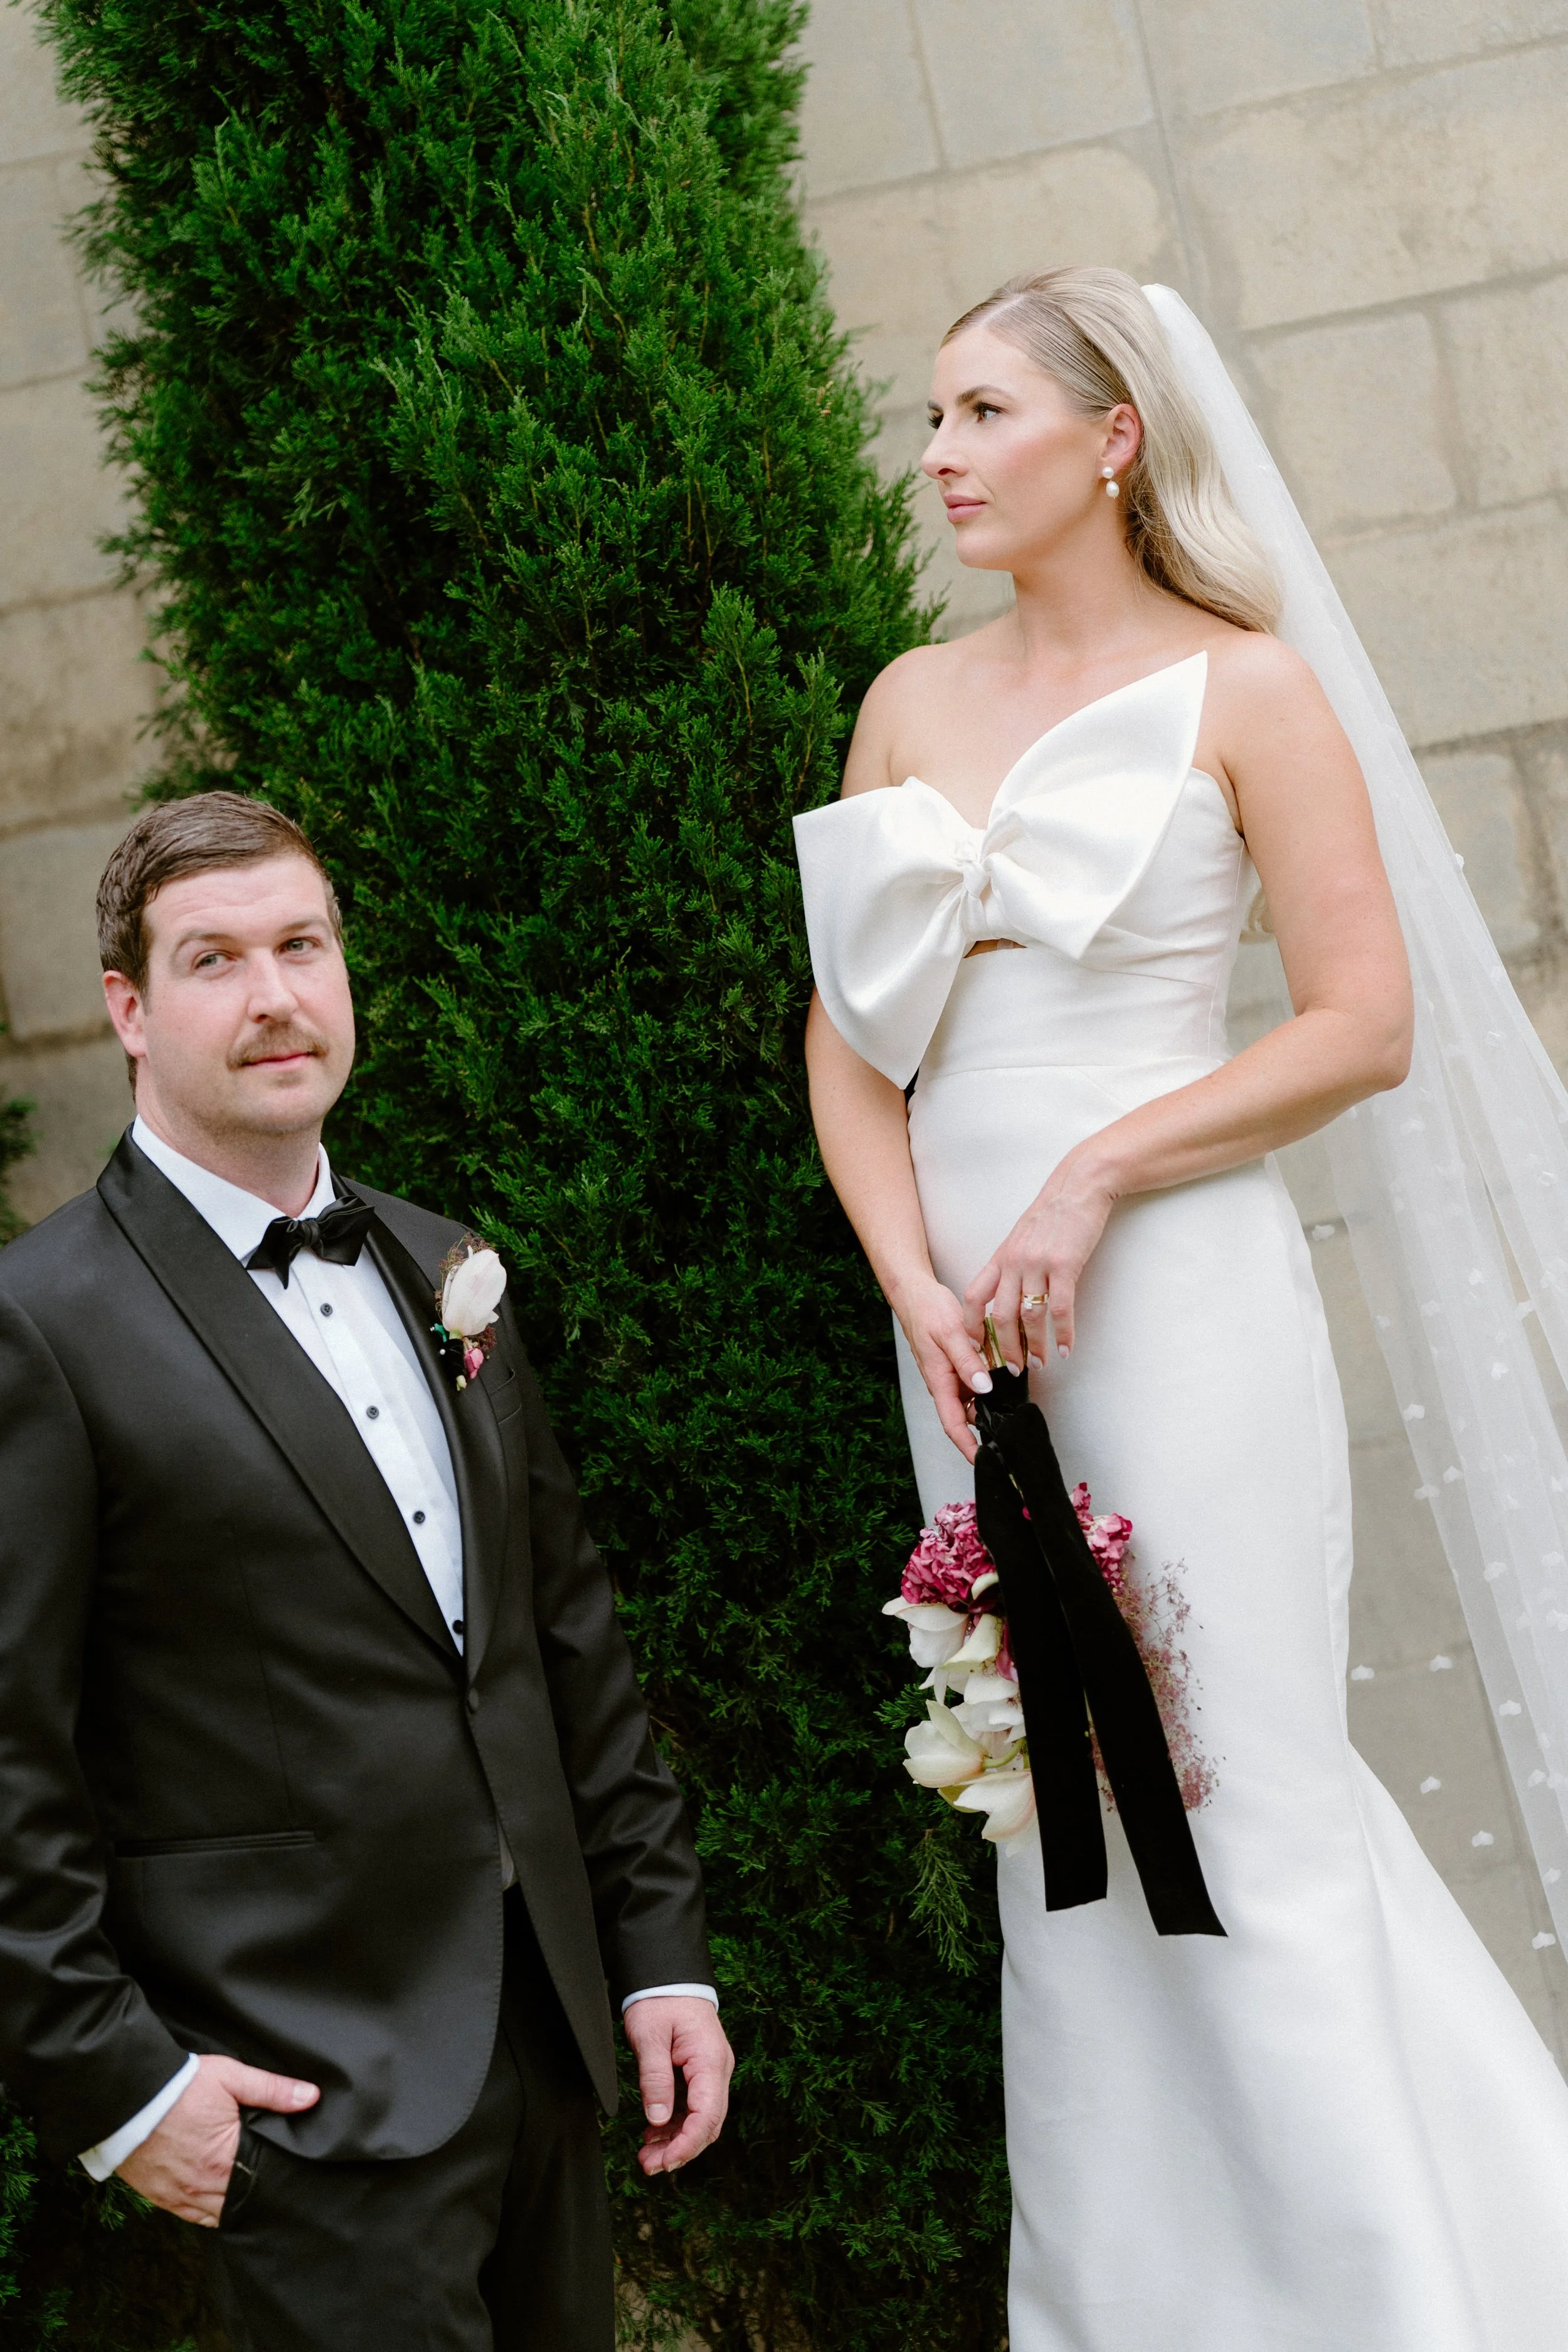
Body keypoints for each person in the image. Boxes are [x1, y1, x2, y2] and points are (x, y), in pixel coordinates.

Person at [793, 267, 1568, 2348]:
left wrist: (1097, 1174)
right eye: (934, 416)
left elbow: (1364, 1024)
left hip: (1177, 1303)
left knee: (1233, 1785)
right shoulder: (903, 702)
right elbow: (850, 1053)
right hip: (961, 1338)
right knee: (1057, 1812)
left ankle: (1401, 2299)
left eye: (980, 413)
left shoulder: (1248, 691)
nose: (938, 454)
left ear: (1110, 437)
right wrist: (914, 1286)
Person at [0, 792, 733, 2352]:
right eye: (214, 960)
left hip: (546, 2050)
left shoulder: (440, 1261)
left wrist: (661, 1959)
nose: (274, 996)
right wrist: (120, 2084)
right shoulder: (39, 1326)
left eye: (302, 946)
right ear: (127, 1010)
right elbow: (9, 1757)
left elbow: (562, 1644)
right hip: (296, 2098)